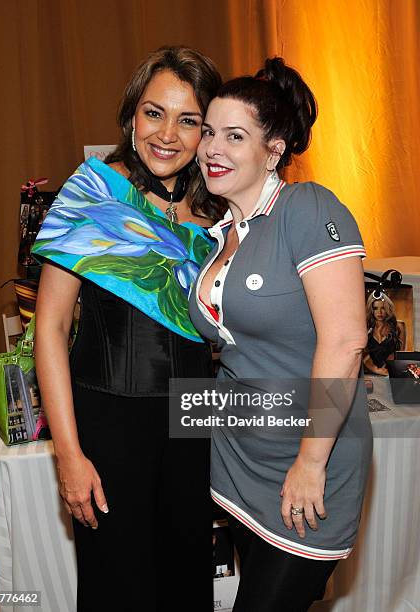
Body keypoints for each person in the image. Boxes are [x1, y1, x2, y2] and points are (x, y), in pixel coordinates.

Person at [33, 46, 224, 612]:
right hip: (110, 421)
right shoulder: (93, 194)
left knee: (187, 580)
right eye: (153, 112)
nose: (167, 134)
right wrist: (68, 453)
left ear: (205, 131)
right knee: (120, 587)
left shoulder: (215, 211)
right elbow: (50, 326)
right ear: (131, 117)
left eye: (188, 119)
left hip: (192, 423)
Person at [189, 57, 373, 611]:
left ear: (274, 149)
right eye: (209, 132)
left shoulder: (308, 208)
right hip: (237, 462)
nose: (211, 149)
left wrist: (310, 464)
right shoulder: (219, 236)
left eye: (235, 136)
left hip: (305, 463)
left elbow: (346, 342)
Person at [363, 291, 404, 375]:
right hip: (369, 375)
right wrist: (376, 370)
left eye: (383, 308)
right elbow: (363, 356)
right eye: (375, 308)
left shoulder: (398, 327)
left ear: (388, 308)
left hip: (391, 374)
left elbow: (401, 355)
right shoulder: (366, 329)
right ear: (371, 310)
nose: (379, 312)